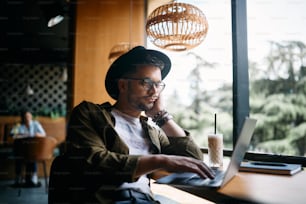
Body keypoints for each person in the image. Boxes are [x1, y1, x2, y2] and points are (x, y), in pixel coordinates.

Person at [65, 46, 215, 203]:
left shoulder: (150, 130)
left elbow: (193, 159)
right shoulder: (90, 113)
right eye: (147, 83)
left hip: (144, 199)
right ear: (122, 85)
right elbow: (94, 162)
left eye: (158, 84)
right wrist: (161, 160)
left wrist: (161, 116)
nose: (154, 91)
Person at [10, 110, 46, 187]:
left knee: (32, 154)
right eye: (26, 117)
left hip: (33, 149)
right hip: (21, 150)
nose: (27, 118)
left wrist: (35, 134)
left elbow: (43, 134)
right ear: (23, 118)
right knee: (18, 154)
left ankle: (33, 177)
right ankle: (19, 177)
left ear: (31, 117)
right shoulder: (18, 125)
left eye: (29, 116)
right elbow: (13, 135)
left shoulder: (36, 124)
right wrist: (22, 135)